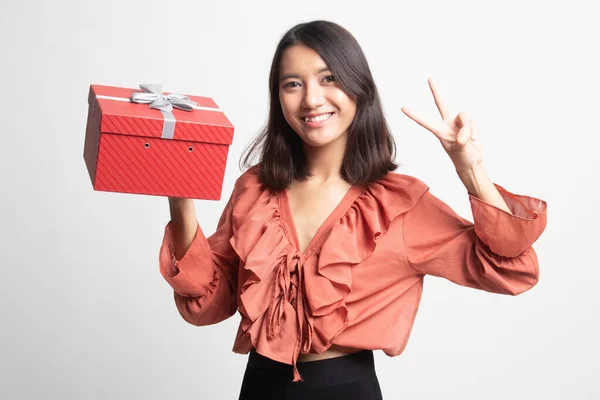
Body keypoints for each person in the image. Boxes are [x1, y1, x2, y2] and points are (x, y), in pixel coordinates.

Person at [160, 20, 547, 400]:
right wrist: (181, 198)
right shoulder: (254, 190)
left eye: (328, 78)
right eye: (292, 84)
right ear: (278, 97)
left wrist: (470, 169)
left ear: (359, 88)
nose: (311, 99)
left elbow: (513, 269)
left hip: (346, 390)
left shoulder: (398, 204)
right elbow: (210, 303)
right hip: (260, 386)